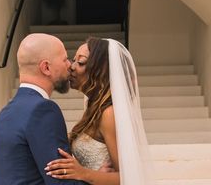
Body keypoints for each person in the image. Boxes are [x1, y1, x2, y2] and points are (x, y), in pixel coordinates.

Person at [45, 38, 154, 185]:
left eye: (81, 62)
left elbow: (128, 177)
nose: (71, 66)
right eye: (73, 60)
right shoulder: (93, 107)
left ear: (101, 70)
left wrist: (84, 173)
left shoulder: (109, 114)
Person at [0, 33, 88, 185]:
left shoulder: (5, 113)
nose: (69, 65)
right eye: (64, 59)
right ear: (46, 67)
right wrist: (97, 177)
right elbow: (61, 183)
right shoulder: (43, 110)